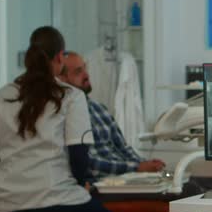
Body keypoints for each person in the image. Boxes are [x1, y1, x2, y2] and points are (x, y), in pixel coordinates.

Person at [0, 26, 128, 212]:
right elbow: (79, 157)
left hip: (5, 202)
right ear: (60, 57)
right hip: (53, 198)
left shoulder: (2, 95)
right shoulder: (71, 96)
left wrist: (17, 174)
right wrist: (80, 186)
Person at [58, 51, 164, 180]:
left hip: (127, 177)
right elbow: (87, 163)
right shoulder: (62, 113)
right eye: (78, 71)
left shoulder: (99, 109)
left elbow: (123, 148)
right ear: (61, 79)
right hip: (102, 183)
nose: (86, 75)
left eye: (85, 68)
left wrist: (146, 165)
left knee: (187, 185)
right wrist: (136, 168)